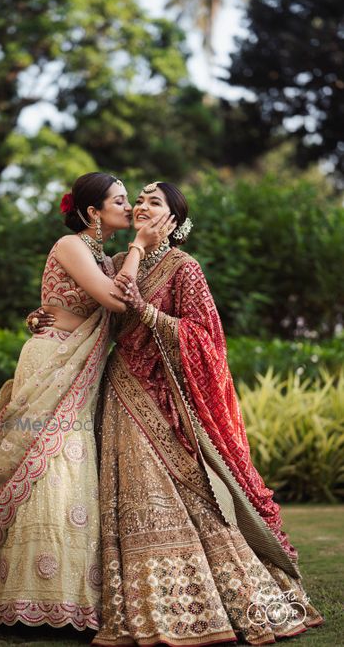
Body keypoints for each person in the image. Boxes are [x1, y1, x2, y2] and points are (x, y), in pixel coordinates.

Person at [30, 181, 324, 645]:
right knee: (123, 502)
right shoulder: (114, 261)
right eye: (137, 200)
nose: (141, 206)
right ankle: (138, 606)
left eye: (153, 201)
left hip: (166, 399)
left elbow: (207, 340)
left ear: (174, 220)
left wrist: (147, 312)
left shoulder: (185, 268)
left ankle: (217, 599)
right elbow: (86, 300)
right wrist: (43, 315)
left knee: (186, 497)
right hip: (121, 389)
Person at [0, 172, 175, 630]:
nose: (129, 207)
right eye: (120, 200)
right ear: (93, 212)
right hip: (52, 358)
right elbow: (118, 302)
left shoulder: (105, 256)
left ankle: (69, 600)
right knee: (45, 468)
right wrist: (138, 246)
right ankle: (22, 603)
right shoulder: (72, 245)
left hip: (81, 367)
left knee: (72, 470)